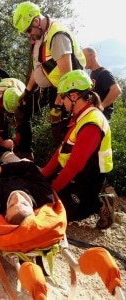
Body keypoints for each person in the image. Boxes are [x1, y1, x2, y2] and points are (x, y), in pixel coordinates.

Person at [41, 69, 115, 229]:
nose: (61, 101)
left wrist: (54, 189)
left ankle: (100, 203)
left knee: (57, 211)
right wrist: (44, 174)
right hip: (78, 175)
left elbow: (75, 165)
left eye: (62, 96)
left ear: (73, 96)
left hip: (89, 178)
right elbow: (62, 150)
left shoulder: (91, 123)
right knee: (43, 190)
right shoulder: (80, 116)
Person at [13, 2, 86, 147]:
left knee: (59, 129)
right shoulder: (39, 37)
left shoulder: (57, 36)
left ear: (36, 21)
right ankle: (25, 152)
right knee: (21, 110)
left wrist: (57, 106)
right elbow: (37, 67)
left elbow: (67, 76)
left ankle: (63, 165)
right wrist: (27, 92)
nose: (29, 35)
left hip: (67, 89)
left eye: (28, 30)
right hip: (50, 85)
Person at [0, 150, 55, 225]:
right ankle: (6, 149)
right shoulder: (44, 195)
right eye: (24, 204)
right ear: (34, 212)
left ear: (6, 215)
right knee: (7, 153)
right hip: (17, 169)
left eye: (12, 205)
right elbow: (30, 167)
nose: (17, 198)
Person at [82, 47, 122, 121]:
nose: (83, 60)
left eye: (84, 57)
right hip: (95, 116)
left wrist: (101, 106)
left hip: (103, 118)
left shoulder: (104, 73)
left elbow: (116, 90)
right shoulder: (92, 74)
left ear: (93, 56)